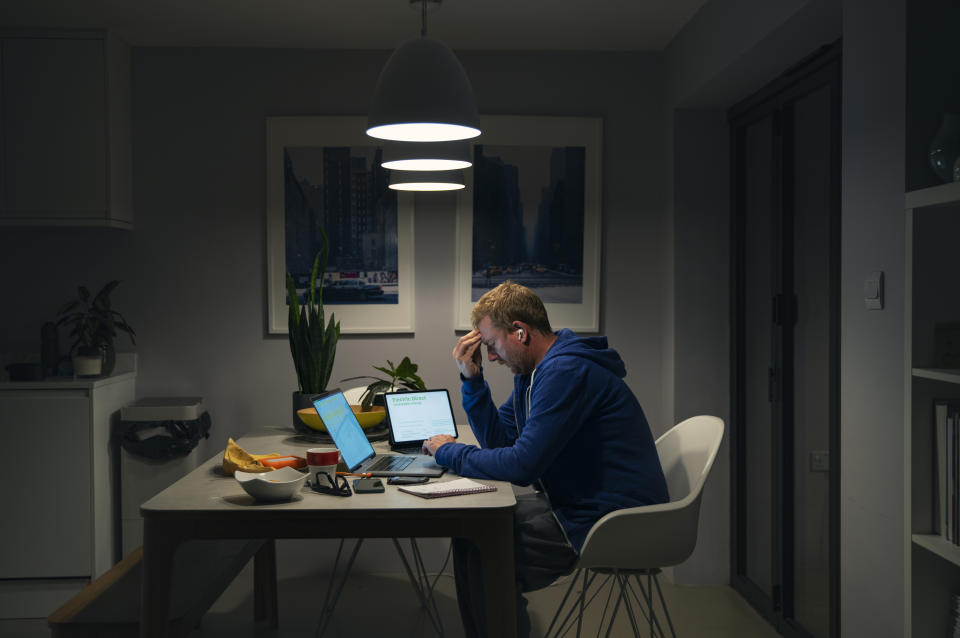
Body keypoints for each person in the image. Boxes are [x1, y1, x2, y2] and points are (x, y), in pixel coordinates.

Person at [421, 282, 669, 638]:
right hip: (579, 502)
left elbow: (522, 467)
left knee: (484, 551)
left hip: (613, 518)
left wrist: (449, 451)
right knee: (470, 533)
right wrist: (471, 379)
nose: (490, 357)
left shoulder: (564, 372)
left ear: (519, 332)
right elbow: (499, 442)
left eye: (491, 345)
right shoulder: (534, 373)